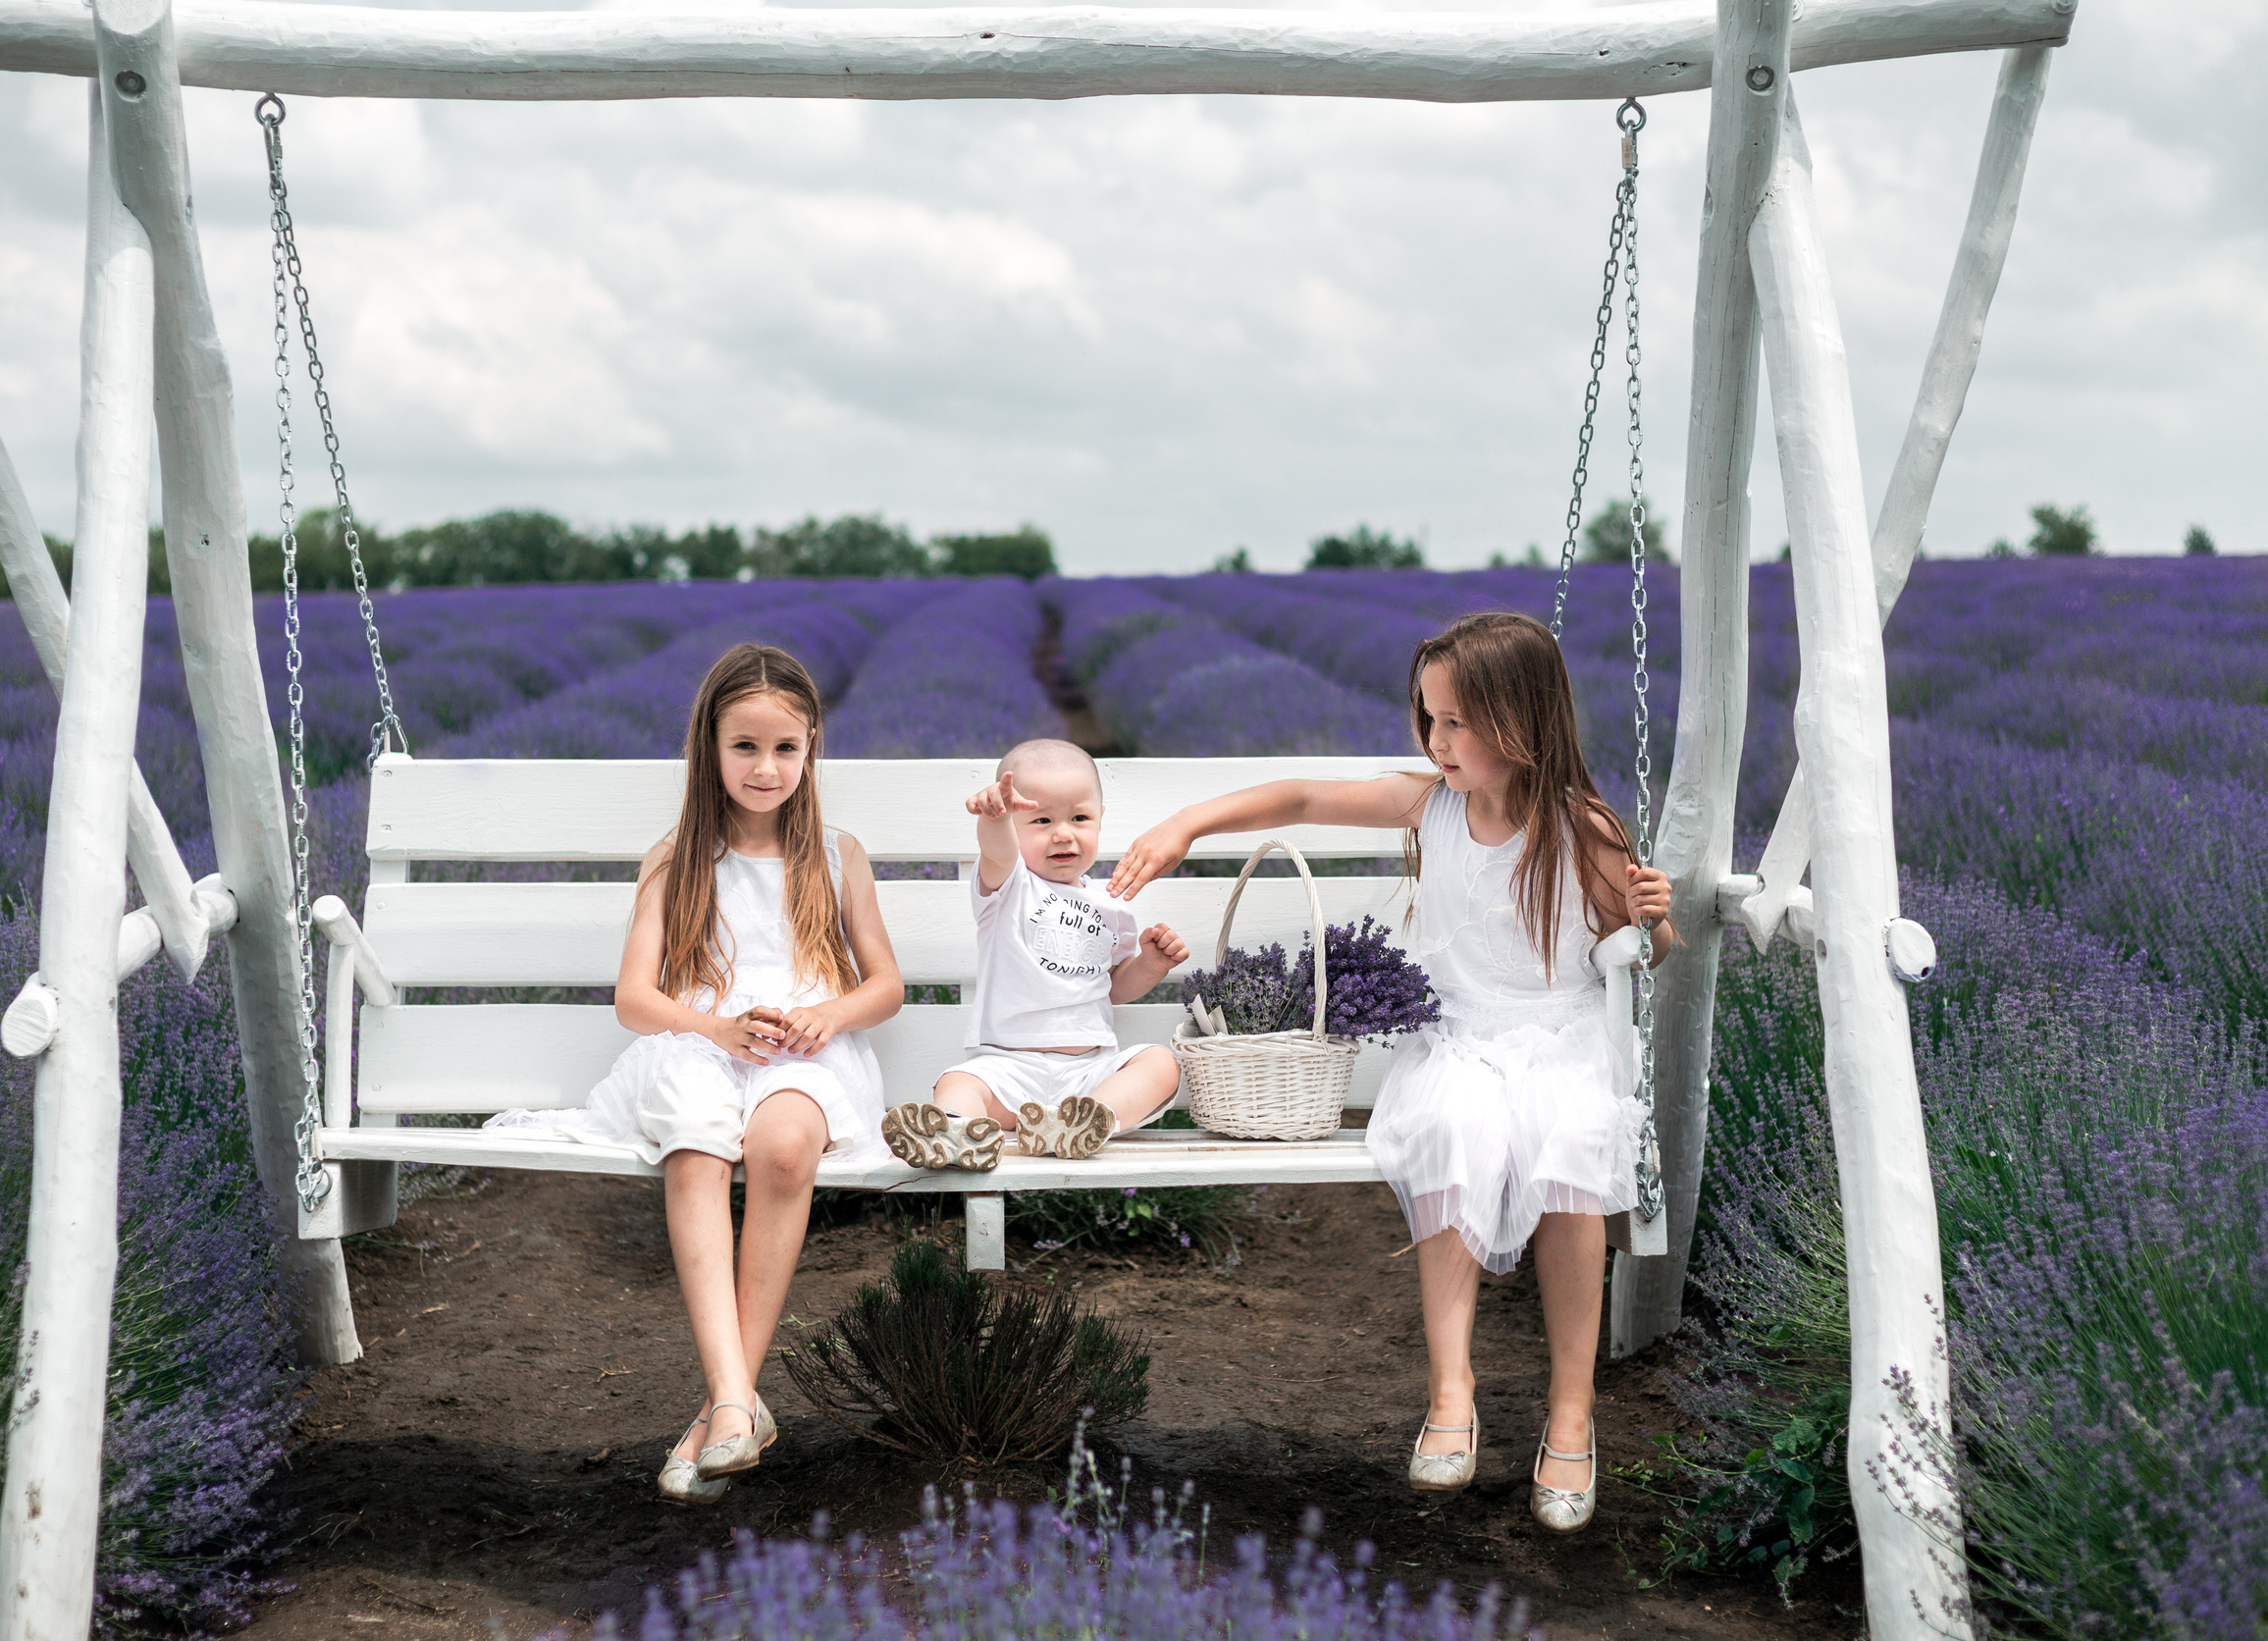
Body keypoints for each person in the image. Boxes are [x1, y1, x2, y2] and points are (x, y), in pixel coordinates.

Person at [1105, 612, 1672, 1534]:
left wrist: (1654, 916)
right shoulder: (1428, 806)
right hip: (1456, 1037)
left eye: (1458, 723)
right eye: (1429, 719)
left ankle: (1573, 1407)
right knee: (1451, 1129)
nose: (1438, 742)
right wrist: (1186, 824)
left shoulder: (1581, 827)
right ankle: (1452, 1389)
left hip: (1559, 1035)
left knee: (1570, 1144)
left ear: (1523, 720)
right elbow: (1297, 798)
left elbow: (1641, 953)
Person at [481, 643, 904, 1506]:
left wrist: (829, 1014)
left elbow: (886, 985)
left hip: (807, 1052)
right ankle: (736, 1400)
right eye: (744, 746)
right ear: (709, 748)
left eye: (785, 747)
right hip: (702, 1042)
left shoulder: (836, 853)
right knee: (697, 1136)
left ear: (813, 746)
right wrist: (714, 1024)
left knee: (786, 1147)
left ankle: (724, 1408)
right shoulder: (678, 856)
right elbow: (636, 998)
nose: (765, 766)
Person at [879, 738, 1188, 1172]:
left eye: (1080, 818)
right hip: (1008, 1067)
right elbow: (997, 850)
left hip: (1089, 1071)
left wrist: (1152, 964)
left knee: (1160, 1063)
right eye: (1041, 820)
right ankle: (953, 1132)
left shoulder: (1114, 906)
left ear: (1101, 820)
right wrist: (994, 819)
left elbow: (1114, 987)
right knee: (960, 1081)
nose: (1063, 833)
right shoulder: (1009, 887)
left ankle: (1081, 1123)